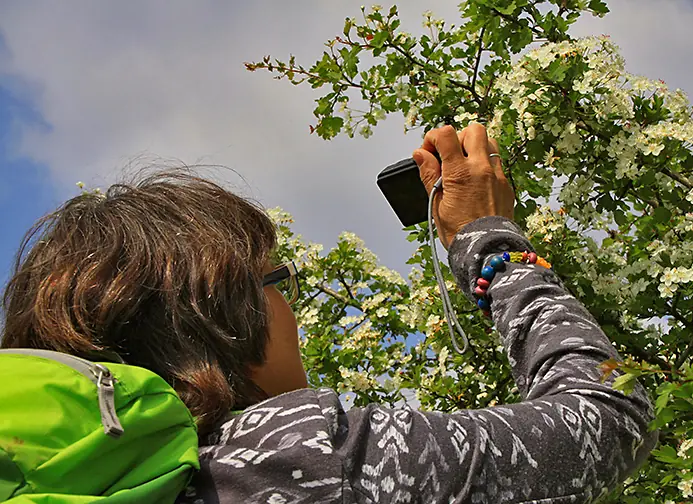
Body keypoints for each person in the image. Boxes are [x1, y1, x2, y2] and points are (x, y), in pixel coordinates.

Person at [1, 123, 656, 503]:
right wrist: (490, 241)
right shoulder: (293, 456)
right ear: (228, 313)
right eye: (280, 280)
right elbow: (608, 414)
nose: (293, 310)